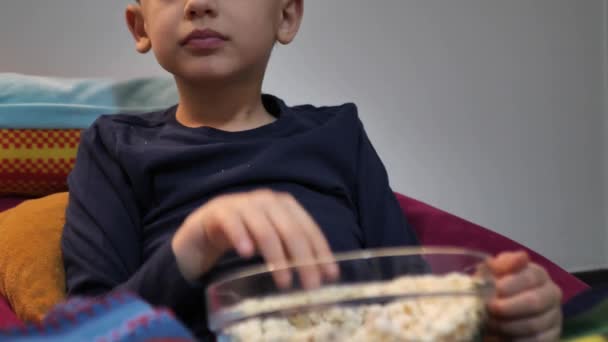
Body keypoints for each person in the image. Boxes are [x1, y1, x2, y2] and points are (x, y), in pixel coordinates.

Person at [61, 0, 563, 340]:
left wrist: (494, 310)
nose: (199, 1)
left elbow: (408, 288)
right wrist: (196, 244)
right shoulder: (114, 146)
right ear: (140, 26)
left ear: (287, 14)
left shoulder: (337, 135)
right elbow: (89, 325)